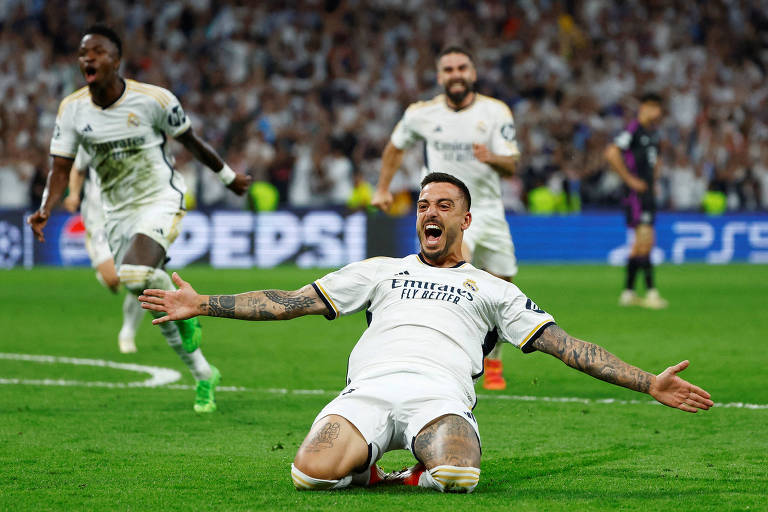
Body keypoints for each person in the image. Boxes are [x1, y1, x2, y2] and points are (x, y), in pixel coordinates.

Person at [140, 173, 713, 494]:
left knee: (459, 476)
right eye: (422, 206)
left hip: (439, 397)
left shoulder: (494, 289)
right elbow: (289, 302)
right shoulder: (380, 270)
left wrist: (647, 383)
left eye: (443, 205)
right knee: (305, 475)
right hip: (366, 392)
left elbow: (568, 347)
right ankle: (367, 467)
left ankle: (414, 468)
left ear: (465, 220)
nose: (428, 213)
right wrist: (202, 304)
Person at [27, 25, 251, 413]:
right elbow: (61, 166)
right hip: (114, 212)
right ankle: (203, 374)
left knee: (132, 276)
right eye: (83, 53)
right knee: (147, 295)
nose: (88, 59)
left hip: (159, 198)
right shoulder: (73, 109)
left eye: (97, 52)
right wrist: (47, 206)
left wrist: (228, 177)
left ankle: (188, 314)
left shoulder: (153, 100)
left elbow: (192, 142)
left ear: (116, 60)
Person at [372, 46, 520, 390]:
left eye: (462, 68)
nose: (456, 74)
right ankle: (449, 361)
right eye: (449, 69)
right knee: (451, 278)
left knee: (503, 287)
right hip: (445, 212)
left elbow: (511, 163)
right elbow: (395, 146)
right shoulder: (421, 114)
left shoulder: (495, 112)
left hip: (488, 210)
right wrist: (382, 188)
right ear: (440, 77)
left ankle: (493, 359)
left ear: (473, 73)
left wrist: (492, 158)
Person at [63, 146, 145, 353]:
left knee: (139, 280)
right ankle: (108, 274)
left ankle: (127, 332)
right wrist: (73, 193)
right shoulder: (90, 138)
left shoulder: (138, 138)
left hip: (130, 218)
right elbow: (78, 169)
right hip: (99, 220)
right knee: (114, 280)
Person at [604, 93, 668, 309]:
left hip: (647, 193)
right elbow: (612, 153)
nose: (659, 113)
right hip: (636, 196)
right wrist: (630, 180)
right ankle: (651, 292)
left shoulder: (653, 134)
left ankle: (628, 293)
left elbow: (656, 161)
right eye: (656, 108)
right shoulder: (633, 130)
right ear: (646, 108)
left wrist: (654, 179)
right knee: (646, 241)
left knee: (639, 246)